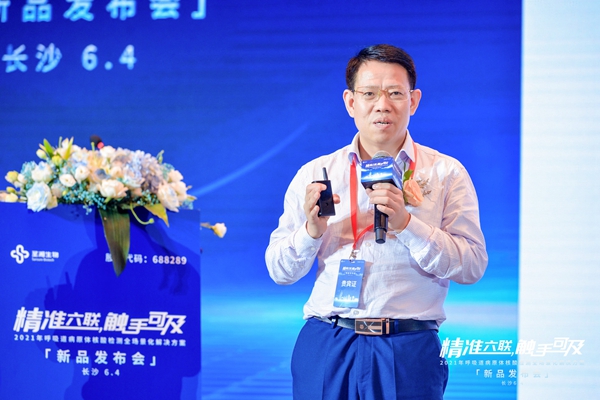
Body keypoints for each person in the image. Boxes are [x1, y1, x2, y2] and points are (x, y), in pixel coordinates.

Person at [265, 44, 487, 400]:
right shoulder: (317, 173)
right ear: (350, 102)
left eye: (395, 93)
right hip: (328, 341)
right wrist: (311, 232)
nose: (382, 105)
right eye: (369, 93)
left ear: (413, 101)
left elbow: (472, 265)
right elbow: (279, 271)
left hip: (408, 347)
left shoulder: (446, 173)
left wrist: (406, 224)